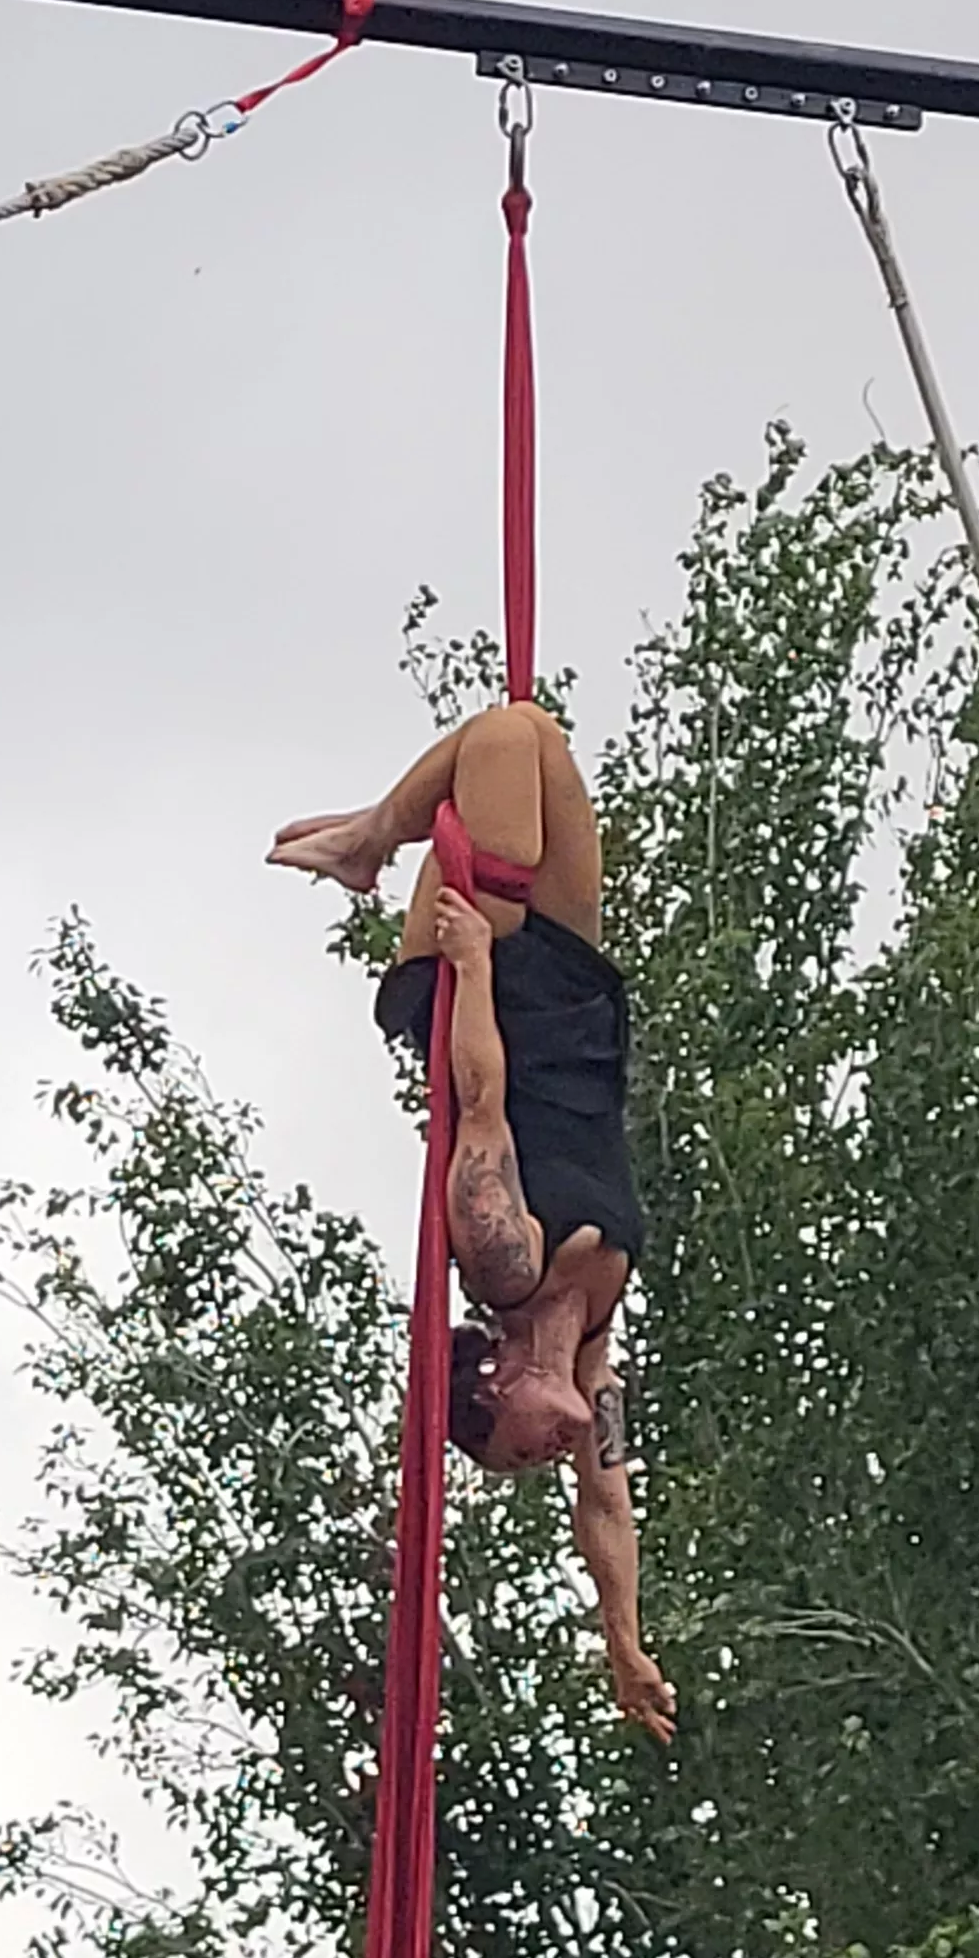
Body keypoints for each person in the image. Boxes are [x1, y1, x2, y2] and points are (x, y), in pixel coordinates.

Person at [273, 700, 674, 1742]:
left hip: (479, 992)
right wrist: (621, 1639)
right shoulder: (593, 1354)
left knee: (499, 739)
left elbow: (480, 1099)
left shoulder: (504, 1261)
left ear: (496, 1385)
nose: (554, 1452)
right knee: (540, 738)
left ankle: (369, 840)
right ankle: (369, 832)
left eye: (522, 1450)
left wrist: (476, 970)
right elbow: (609, 1510)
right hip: (581, 1012)